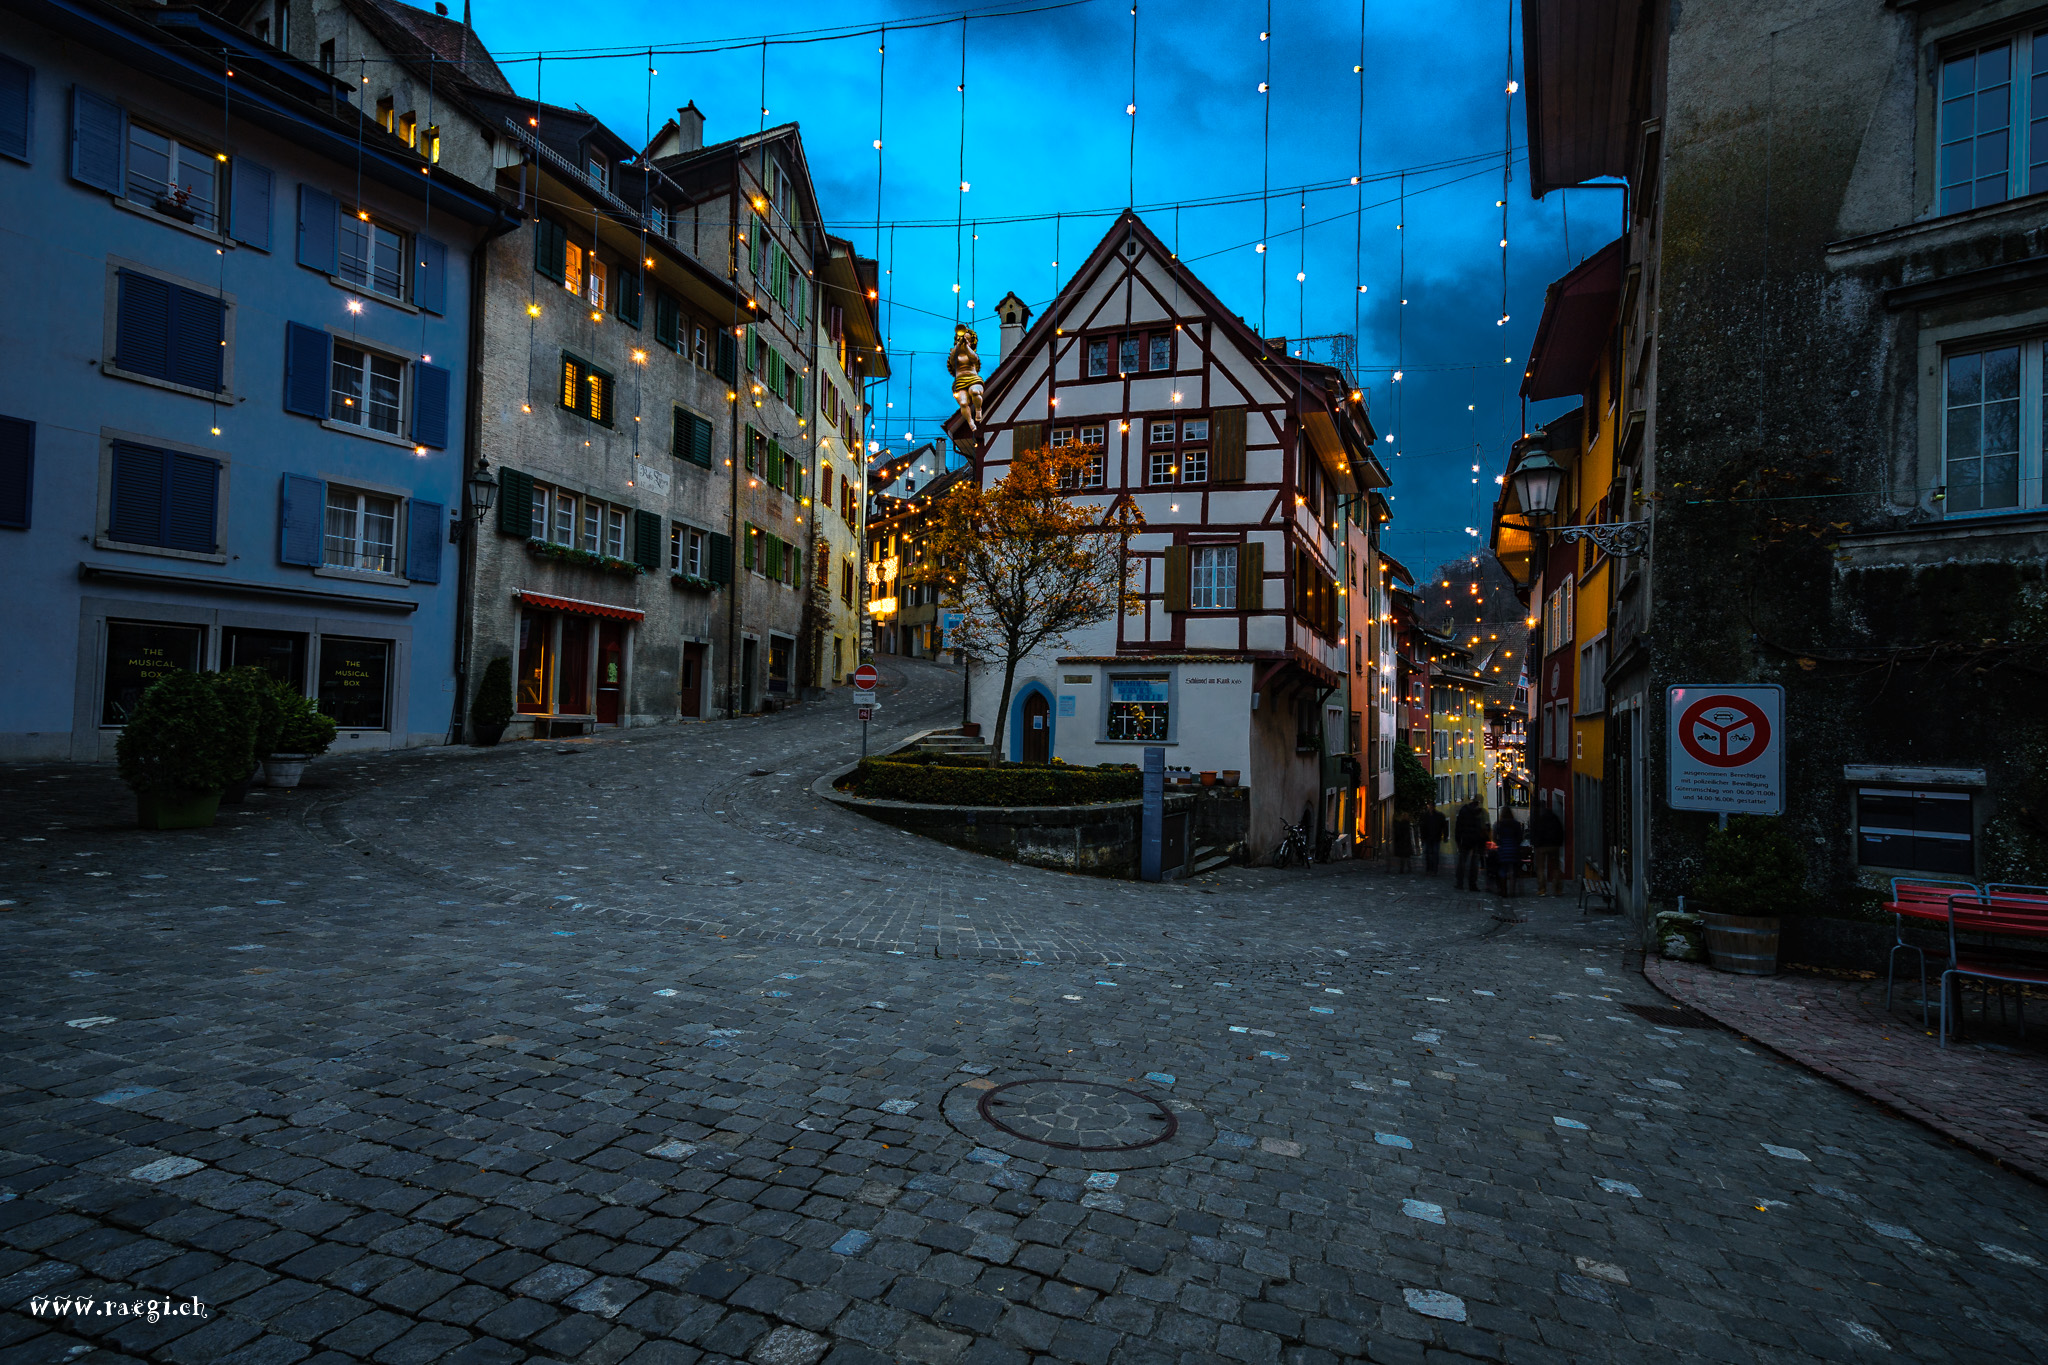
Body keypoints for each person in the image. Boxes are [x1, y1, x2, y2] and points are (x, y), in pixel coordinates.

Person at [1530, 802, 1566, 896]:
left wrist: (1535, 843)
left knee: (1541, 868)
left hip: (1541, 846)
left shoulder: (1537, 818)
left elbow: (1534, 832)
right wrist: (1559, 843)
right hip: (1554, 845)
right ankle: (1557, 889)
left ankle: (1542, 890)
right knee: (1556, 867)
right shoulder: (1553, 817)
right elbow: (1560, 830)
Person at [1454, 797, 1487, 891]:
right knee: (1474, 863)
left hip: (1465, 839)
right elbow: (1483, 827)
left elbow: (1458, 826)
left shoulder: (1464, 810)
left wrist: (1458, 840)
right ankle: (1472, 884)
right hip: (1476, 839)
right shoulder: (1480, 812)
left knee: (1462, 861)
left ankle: (1460, 882)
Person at [1492, 808, 1525, 896]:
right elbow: (1520, 837)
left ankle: (1504, 890)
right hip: (1514, 849)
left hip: (1503, 850)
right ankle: (1512, 891)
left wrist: (1499, 843)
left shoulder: (1498, 824)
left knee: (1503, 870)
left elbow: (1494, 837)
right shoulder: (1516, 824)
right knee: (1513, 871)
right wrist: (1516, 844)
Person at [1418, 805, 1449, 876]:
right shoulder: (1425, 816)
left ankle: (1434, 870)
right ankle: (1429, 869)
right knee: (1429, 854)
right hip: (1428, 838)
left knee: (1435, 854)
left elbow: (1444, 826)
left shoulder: (1438, 816)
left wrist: (1445, 836)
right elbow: (1422, 827)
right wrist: (1422, 837)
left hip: (1435, 838)